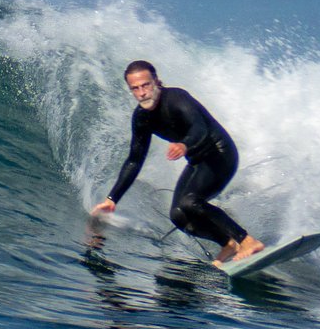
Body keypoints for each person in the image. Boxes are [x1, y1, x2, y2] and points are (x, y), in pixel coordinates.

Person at [91, 60, 265, 266]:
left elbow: (199, 128)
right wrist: (112, 199)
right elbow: (135, 160)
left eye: (145, 85)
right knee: (178, 214)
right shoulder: (141, 118)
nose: (142, 93)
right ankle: (228, 244)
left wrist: (184, 145)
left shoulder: (176, 98)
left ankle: (247, 241)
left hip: (221, 154)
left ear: (156, 81)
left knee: (190, 201)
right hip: (198, 161)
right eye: (135, 89)